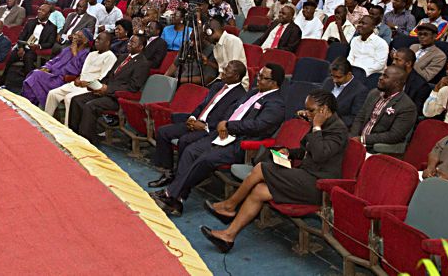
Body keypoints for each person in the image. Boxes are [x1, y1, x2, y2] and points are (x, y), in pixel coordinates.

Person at [200, 89, 348, 253]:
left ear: (324, 110)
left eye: (311, 110)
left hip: (317, 185)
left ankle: (229, 205)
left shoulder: (338, 130)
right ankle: (228, 236)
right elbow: (307, 150)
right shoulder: (320, 125)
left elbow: (320, 154)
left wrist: (317, 127)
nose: (307, 113)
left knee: (261, 168)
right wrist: (289, 153)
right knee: (259, 191)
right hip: (305, 177)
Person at [152, 64, 286, 216]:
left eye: (263, 78)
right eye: (259, 75)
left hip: (240, 143)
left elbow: (258, 126)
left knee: (205, 159)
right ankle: (176, 198)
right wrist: (223, 124)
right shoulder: (254, 92)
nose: (258, 79)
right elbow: (233, 108)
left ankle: (172, 194)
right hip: (222, 134)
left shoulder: (276, 104)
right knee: (190, 151)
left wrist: (229, 125)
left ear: (274, 83)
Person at [149, 61, 248, 187]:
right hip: (196, 122)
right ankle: (168, 172)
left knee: (185, 140)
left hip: (210, 130)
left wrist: (204, 126)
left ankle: (181, 176)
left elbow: (227, 119)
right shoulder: (218, 86)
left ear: (236, 76)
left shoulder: (240, 95)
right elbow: (202, 105)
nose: (222, 71)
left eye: (227, 71)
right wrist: (192, 117)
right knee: (163, 132)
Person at [67, 34, 152, 141]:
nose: (129, 44)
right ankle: (73, 133)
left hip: (117, 97)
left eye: (133, 43)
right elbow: (109, 75)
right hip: (105, 91)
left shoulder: (143, 63)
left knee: (90, 106)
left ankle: (86, 139)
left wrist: (108, 89)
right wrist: (98, 86)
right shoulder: (122, 57)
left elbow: (133, 87)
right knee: (76, 100)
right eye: (129, 41)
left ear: (141, 47)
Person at [44, 31, 117, 124]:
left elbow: (103, 78)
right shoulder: (92, 54)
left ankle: (67, 128)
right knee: (53, 94)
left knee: (69, 98)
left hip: (90, 87)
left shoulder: (110, 56)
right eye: (96, 39)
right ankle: (46, 122)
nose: (96, 41)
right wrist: (78, 79)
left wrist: (86, 83)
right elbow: (83, 72)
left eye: (100, 39)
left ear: (107, 43)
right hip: (79, 83)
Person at [350, 65, 417, 152]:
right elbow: (360, 117)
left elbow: (394, 136)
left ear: (397, 83)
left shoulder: (407, 107)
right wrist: (353, 137)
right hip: (357, 141)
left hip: (376, 148)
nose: (380, 78)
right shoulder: (374, 93)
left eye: (385, 76)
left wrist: (362, 139)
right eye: (382, 75)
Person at [21, 30, 92, 107]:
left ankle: (28, 104)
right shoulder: (68, 49)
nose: (74, 37)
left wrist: (75, 53)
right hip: (52, 75)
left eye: (79, 36)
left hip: (63, 80)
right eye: (75, 35)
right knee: (34, 75)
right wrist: (46, 67)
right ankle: (29, 104)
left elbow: (75, 71)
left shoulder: (86, 54)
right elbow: (54, 60)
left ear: (85, 41)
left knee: (34, 76)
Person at [321, 58, 368, 127]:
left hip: (337, 127)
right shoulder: (328, 81)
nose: (334, 80)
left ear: (349, 75)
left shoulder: (360, 91)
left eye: (338, 77)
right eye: (332, 76)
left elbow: (354, 118)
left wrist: (329, 120)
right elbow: (318, 101)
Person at [208, 16, 248, 88]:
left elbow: (233, 71)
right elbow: (221, 68)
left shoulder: (233, 41)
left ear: (211, 31)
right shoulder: (216, 45)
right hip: (224, 80)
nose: (206, 37)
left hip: (236, 84)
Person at [391, 47, 432, 113]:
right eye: (393, 59)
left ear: (408, 63)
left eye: (397, 60)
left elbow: (414, 111)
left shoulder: (421, 86)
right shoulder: (391, 76)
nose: (393, 62)